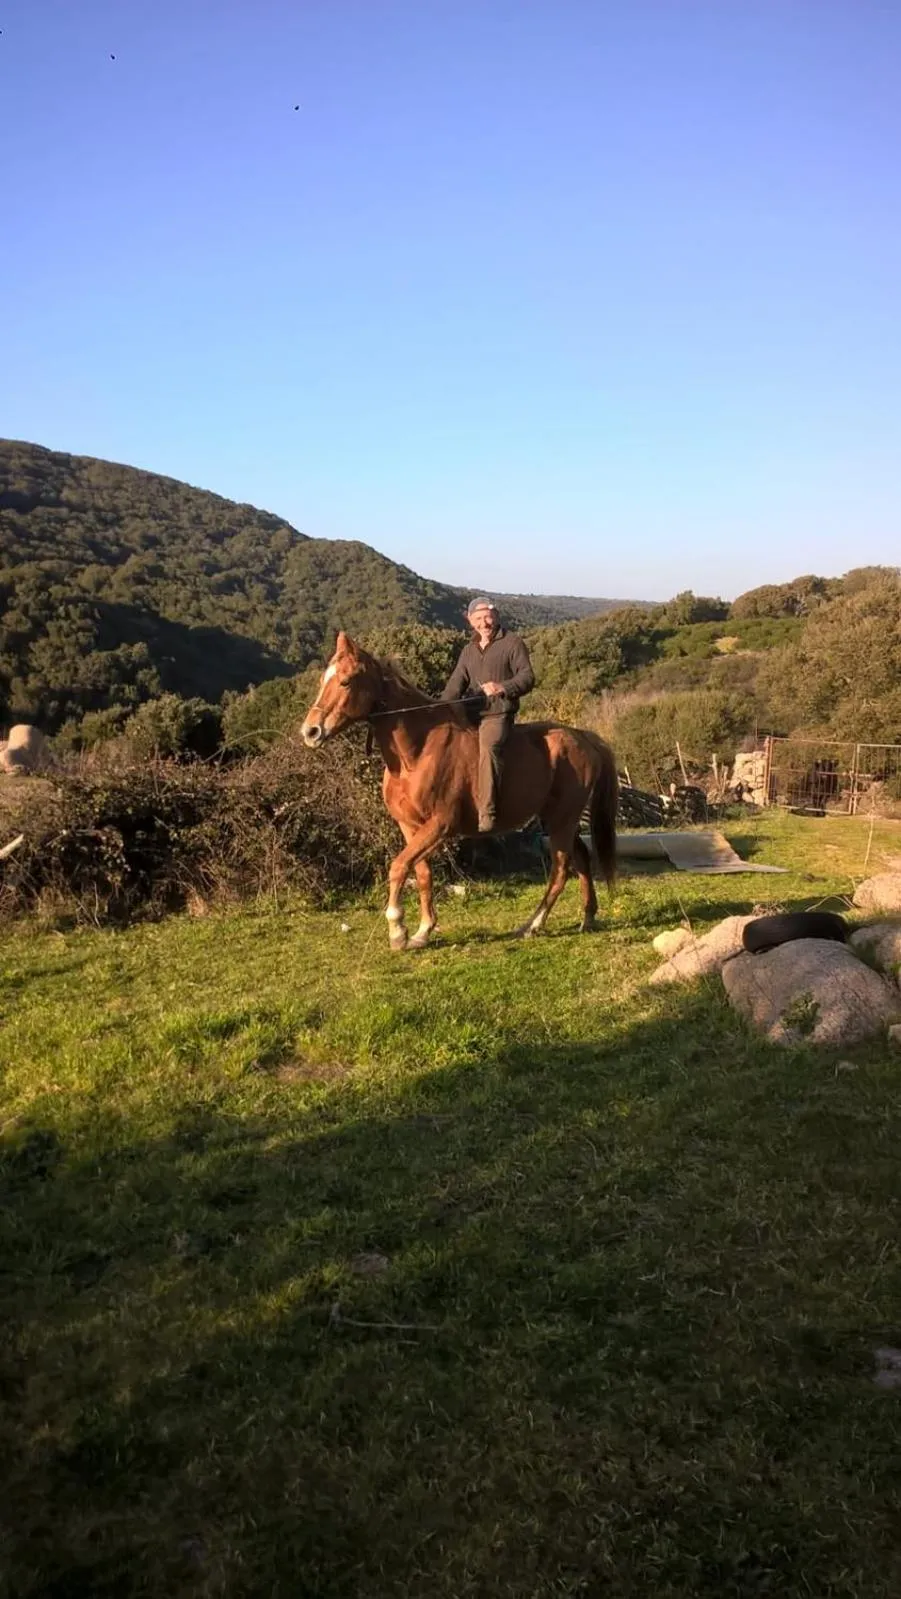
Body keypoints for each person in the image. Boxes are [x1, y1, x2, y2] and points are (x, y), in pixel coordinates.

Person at [440, 596, 535, 831]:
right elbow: (454, 686)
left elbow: (527, 677)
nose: (484, 623)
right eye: (478, 619)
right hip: (469, 715)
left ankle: (487, 812)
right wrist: (439, 709)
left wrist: (502, 687)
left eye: (487, 617)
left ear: (496, 616)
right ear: (470, 621)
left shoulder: (513, 643)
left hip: (497, 715)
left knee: (488, 746)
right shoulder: (468, 650)